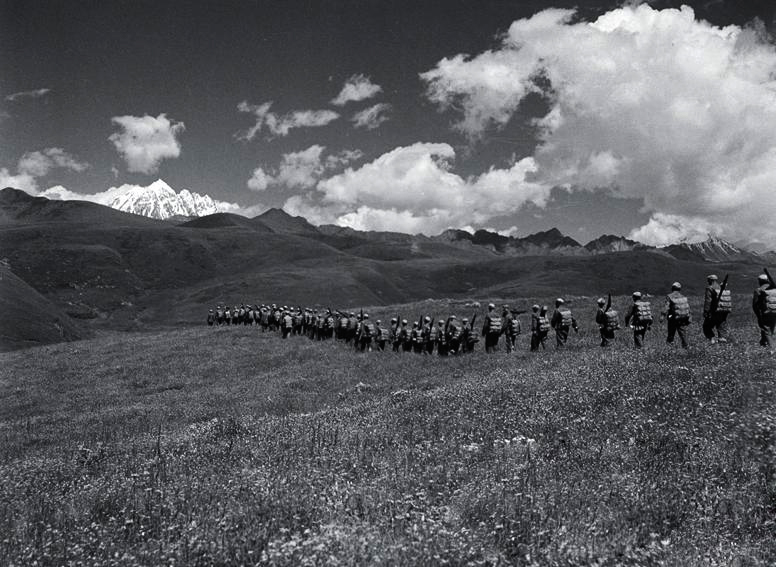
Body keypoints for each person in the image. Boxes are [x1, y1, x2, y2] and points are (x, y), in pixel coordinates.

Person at [660, 282, 691, 349]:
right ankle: (686, 346)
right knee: (683, 333)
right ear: (680, 289)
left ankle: (669, 347)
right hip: (682, 318)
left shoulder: (669, 296)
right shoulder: (683, 297)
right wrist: (689, 317)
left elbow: (666, 307)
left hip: (673, 318)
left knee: (671, 333)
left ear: (672, 288)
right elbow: (687, 308)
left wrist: (662, 315)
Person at [702, 274, 730, 343]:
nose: (707, 281)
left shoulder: (710, 288)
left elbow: (708, 301)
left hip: (714, 310)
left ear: (710, 280)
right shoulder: (721, 288)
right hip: (723, 310)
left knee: (706, 326)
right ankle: (722, 340)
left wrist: (706, 311)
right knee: (720, 325)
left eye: (708, 280)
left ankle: (712, 339)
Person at [753, 273, 776, 350]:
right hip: (774, 311)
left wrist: (758, 316)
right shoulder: (774, 289)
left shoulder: (758, 290)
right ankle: (764, 343)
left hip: (765, 312)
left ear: (760, 281)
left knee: (766, 330)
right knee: (771, 329)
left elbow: (755, 305)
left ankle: (772, 349)